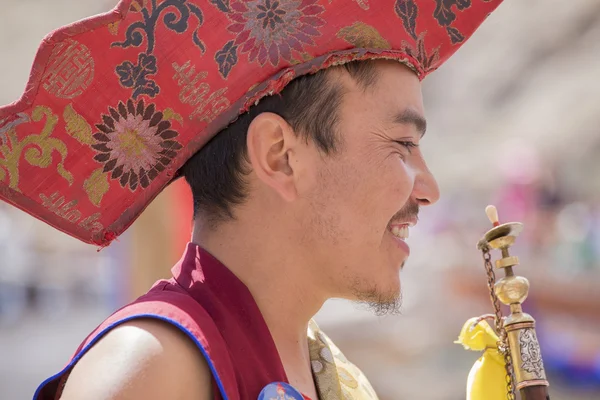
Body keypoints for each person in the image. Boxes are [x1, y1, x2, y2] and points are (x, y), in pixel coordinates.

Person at [0, 0, 505, 398]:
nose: (429, 189)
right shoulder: (151, 370)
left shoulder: (323, 369)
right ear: (280, 156)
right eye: (403, 145)